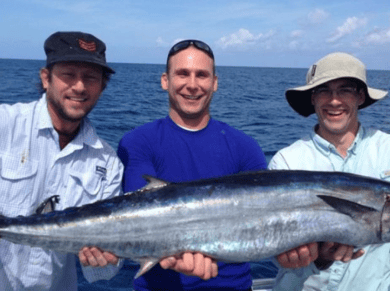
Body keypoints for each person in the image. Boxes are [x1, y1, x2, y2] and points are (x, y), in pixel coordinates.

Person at [118, 39, 268, 291]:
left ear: (215, 83)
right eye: (182, 74)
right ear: (165, 80)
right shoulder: (138, 142)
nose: (192, 84)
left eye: (202, 75)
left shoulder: (246, 147)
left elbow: (261, 222)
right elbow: (142, 219)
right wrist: (175, 256)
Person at [0, 31, 123, 290]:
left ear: (102, 86)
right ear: (46, 79)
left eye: (90, 77)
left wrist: (106, 261)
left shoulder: (109, 162)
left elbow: (106, 271)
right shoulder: (5, 125)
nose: (79, 86)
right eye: (68, 74)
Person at [268, 52, 390, 291]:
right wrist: (319, 257)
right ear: (313, 99)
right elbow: (274, 244)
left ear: (360, 96)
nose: (334, 101)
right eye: (323, 90)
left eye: (345, 89)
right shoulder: (286, 161)